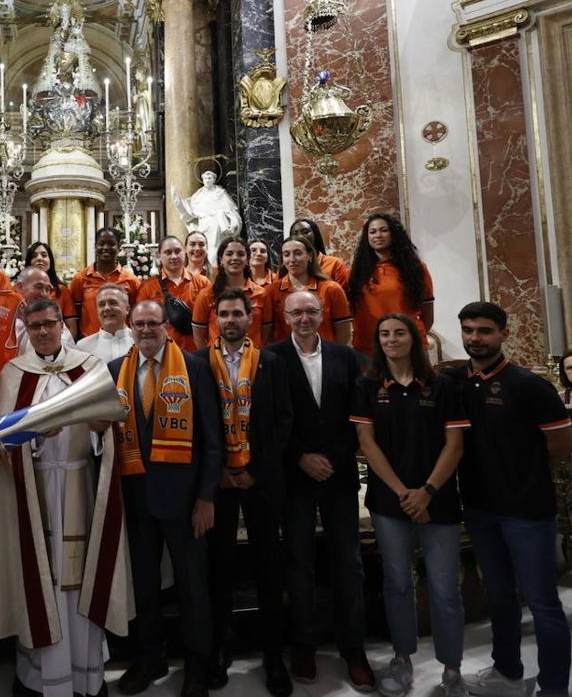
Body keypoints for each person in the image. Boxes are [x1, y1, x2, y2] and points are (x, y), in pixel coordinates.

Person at [0, 297, 132, 697]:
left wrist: (101, 431)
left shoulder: (89, 367)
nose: (44, 332)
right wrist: (31, 441)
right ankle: (38, 678)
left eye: (50, 323)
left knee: (80, 580)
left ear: (61, 324)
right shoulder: (14, 373)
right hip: (34, 496)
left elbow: (111, 427)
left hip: (80, 488)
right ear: (26, 331)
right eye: (35, 327)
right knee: (41, 580)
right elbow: (4, 442)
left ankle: (85, 675)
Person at [450, 302, 572, 697]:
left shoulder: (530, 385)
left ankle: (554, 688)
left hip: (527, 511)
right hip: (481, 508)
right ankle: (507, 671)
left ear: (503, 333)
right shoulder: (457, 383)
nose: (475, 339)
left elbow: (562, 445)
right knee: (499, 597)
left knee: (542, 604)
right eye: (468, 330)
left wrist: (524, 475)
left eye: (484, 331)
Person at [352, 313, 468, 697]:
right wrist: (404, 491)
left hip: (438, 501)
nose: (391, 339)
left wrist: (427, 492)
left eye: (399, 333)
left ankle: (452, 669)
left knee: (444, 588)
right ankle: (402, 659)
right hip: (390, 501)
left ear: (415, 339)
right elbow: (367, 444)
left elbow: (455, 445)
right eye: (384, 334)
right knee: (398, 583)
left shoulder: (442, 385)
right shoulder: (368, 385)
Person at [264, 290, 374, 692]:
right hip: (295, 478)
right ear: (285, 315)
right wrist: (300, 457)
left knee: (349, 564)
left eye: (312, 310)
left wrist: (335, 458)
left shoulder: (347, 357)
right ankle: (305, 645)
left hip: (340, 475)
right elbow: (272, 419)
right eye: (297, 311)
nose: (305, 317)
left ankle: (354, 650)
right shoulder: (271, 357)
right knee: (299, 564)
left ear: (323, 313)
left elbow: (356, 416)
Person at [109, 300, 219, 697]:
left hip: (186, 502)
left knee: (193, 587)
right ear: (129, 326)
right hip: (136, 499)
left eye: (153, 323)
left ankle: (197, 667)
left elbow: (212, 441)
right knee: (144, 587)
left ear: (166, 327)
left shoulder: (194, 368)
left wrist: (206, 498)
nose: (145, 330)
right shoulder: (114, 372)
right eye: (138, 324)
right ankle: (148, 659)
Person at [201, 289, 293, 696]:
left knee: (268, 568)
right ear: (215, 319)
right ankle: (221, 647)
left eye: (237, 313)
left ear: (249, 316)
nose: (231, 319)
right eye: (224, 314)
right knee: (218, 569)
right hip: (219, 481)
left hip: (259, 480)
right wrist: (217, 469)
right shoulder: (199, 363)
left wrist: (255, 470)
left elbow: (283, 422)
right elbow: (198, 423)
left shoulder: (272, 362)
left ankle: (273, 655)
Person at [346, 213, 435, 355]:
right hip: (368, 350)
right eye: (373, 232)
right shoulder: (355, 273)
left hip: (409, 348)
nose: (378, 235)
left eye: (384, 230)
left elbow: (428, 314)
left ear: (394, 234)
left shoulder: (415, 268)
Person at [263, 236, 351, 345]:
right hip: (284, 358)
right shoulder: (271, 292)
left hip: (324, 357)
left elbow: (343, 333)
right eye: (286, 254)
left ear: (309, 256)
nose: (292, 259)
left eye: (298, 253)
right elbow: (267, 335)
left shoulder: (332, 289)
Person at [192, 237, 270, 349]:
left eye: (240, 254)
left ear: (247, 259)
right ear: (221, 259)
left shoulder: (262, 294)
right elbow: (199, 337)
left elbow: (266, 335)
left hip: (253, 360)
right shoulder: (206, 295)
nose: (235, 258)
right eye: (229, 254)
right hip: (217, 362)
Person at [136, 236, 211, 351]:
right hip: (162, 354)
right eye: (168, 252)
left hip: (195, 353)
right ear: (159, 256)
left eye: (177, 251)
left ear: (184, 252)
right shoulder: (148, 287)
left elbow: (212, 319)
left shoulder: (202, 283)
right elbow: (141, 323)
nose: (174, 256)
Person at [70, 227, 141, 338]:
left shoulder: (131, 280)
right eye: (101, 244)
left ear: (118, 247)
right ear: (95, 246)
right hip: (89, 343)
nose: (106, 248)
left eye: (111, 244)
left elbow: (136, 314)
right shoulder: (80, 279)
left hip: (124, 342)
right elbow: (74, 315)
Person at [171, 172, 242, 265]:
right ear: (203, 180)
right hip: (204, 225)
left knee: (214, 249)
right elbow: (188, 209)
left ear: (214, 180)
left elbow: (231, 211)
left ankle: (215, 269)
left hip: (217, 226)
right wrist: (176, 198)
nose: (207, 180)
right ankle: (207, 270)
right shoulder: (199, 195)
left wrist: (233, 223)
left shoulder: (220, 193)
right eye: (205, 178)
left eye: (210, 178)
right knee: (204, 249)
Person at [14, 266, 76, 354]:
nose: (44, 294)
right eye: (39, 287)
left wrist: (27, 319)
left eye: (47, 289)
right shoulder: (6, 316)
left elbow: (65, 352)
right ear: (20, 287)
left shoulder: (54, 320)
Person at [26, 241, 79, 338]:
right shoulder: (19, 290)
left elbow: (72, 328)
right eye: (34, 256)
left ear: (50, 261)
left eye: (44, 255)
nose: (39, 258)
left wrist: (60, 347)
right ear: (29, 262)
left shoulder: (61, 290)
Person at [76, 283, 134, 362]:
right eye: (102, 304)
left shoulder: (139, 342)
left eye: (113, 303)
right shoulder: (82, 347)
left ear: (127, 309)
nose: (106, 308)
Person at [289, 218, 350, 288]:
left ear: (315, 235)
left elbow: (343, 296)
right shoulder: (288, 266)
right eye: (295, 233)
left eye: (305, 232)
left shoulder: (335, 264)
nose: (300, 236)